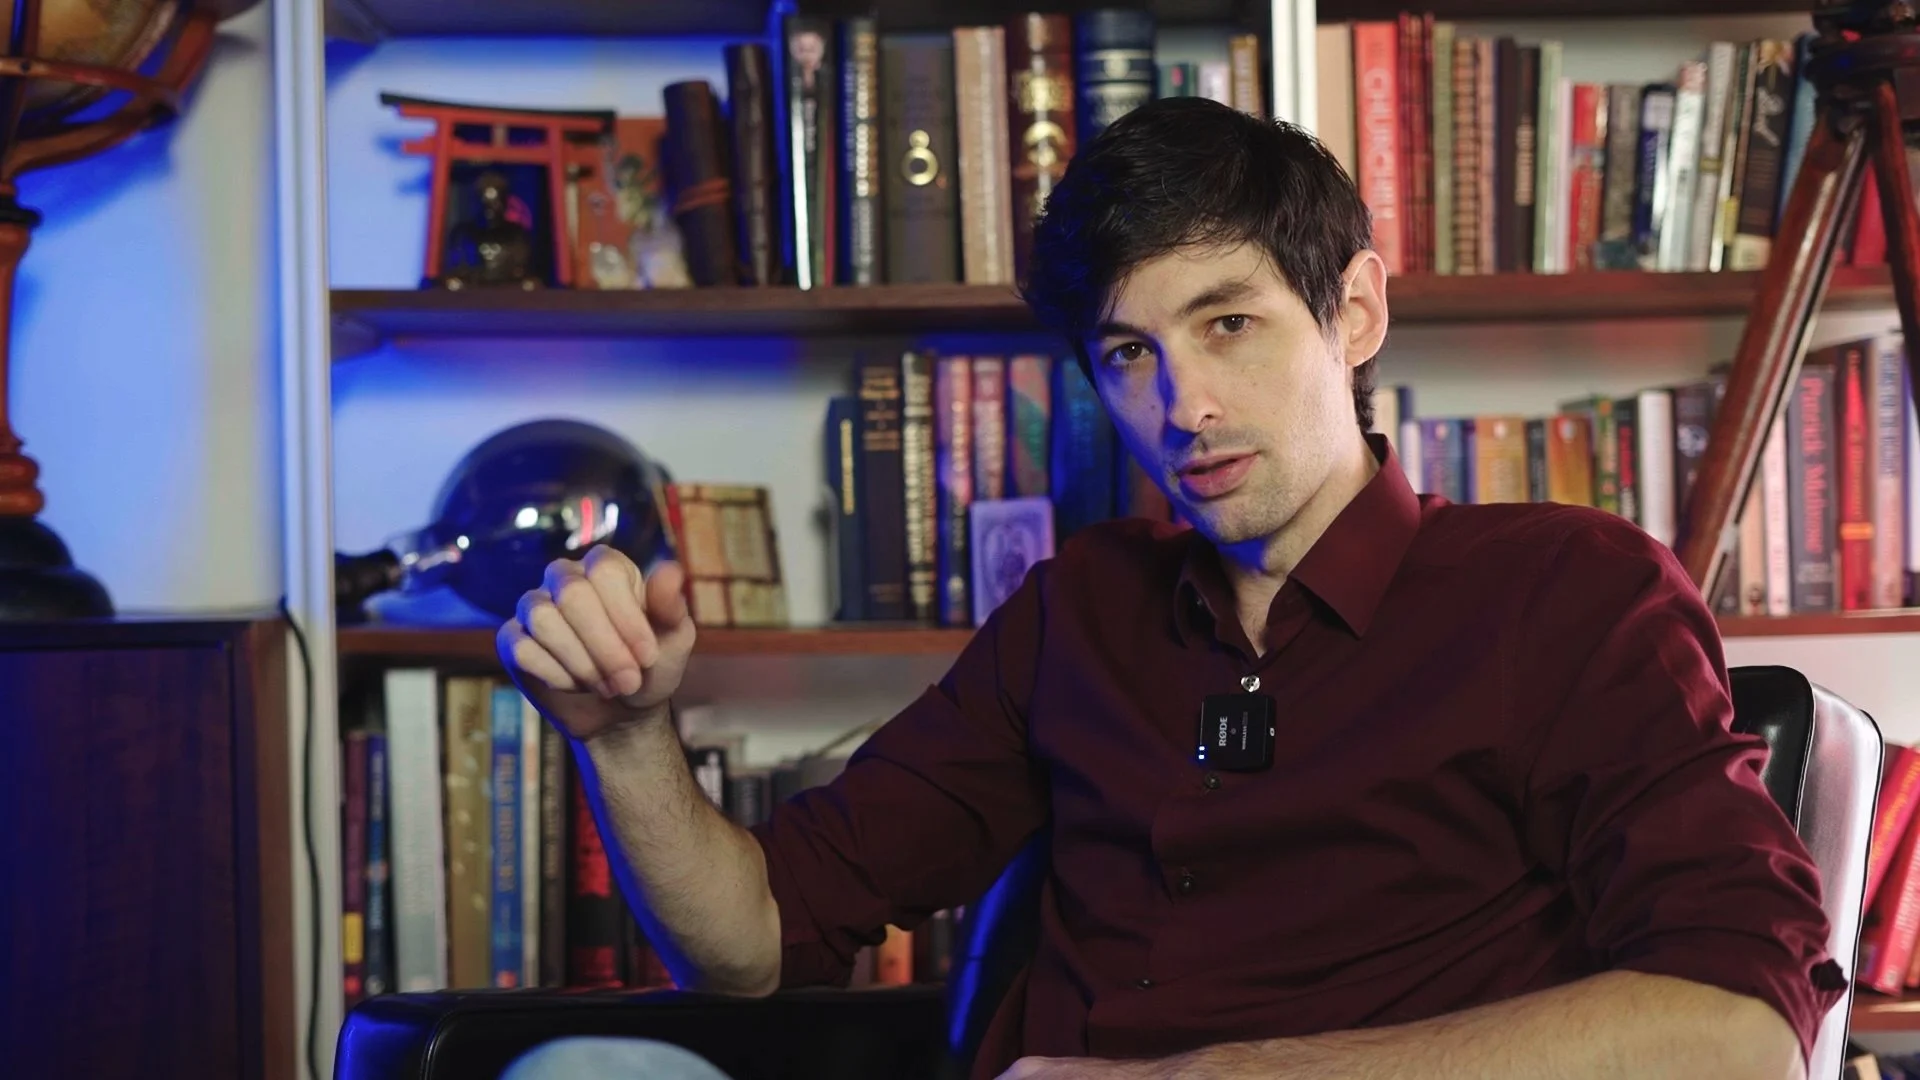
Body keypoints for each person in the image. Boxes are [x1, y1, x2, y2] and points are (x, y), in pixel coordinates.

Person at [496, 97, 1846, 1080]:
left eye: (1229, 324)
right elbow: (753, 943)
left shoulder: (1568, 593)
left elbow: (1737, 1034)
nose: (1182, 405)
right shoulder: (1080, 612)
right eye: (1127, 354)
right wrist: (624, 738)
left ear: (1356, 314)